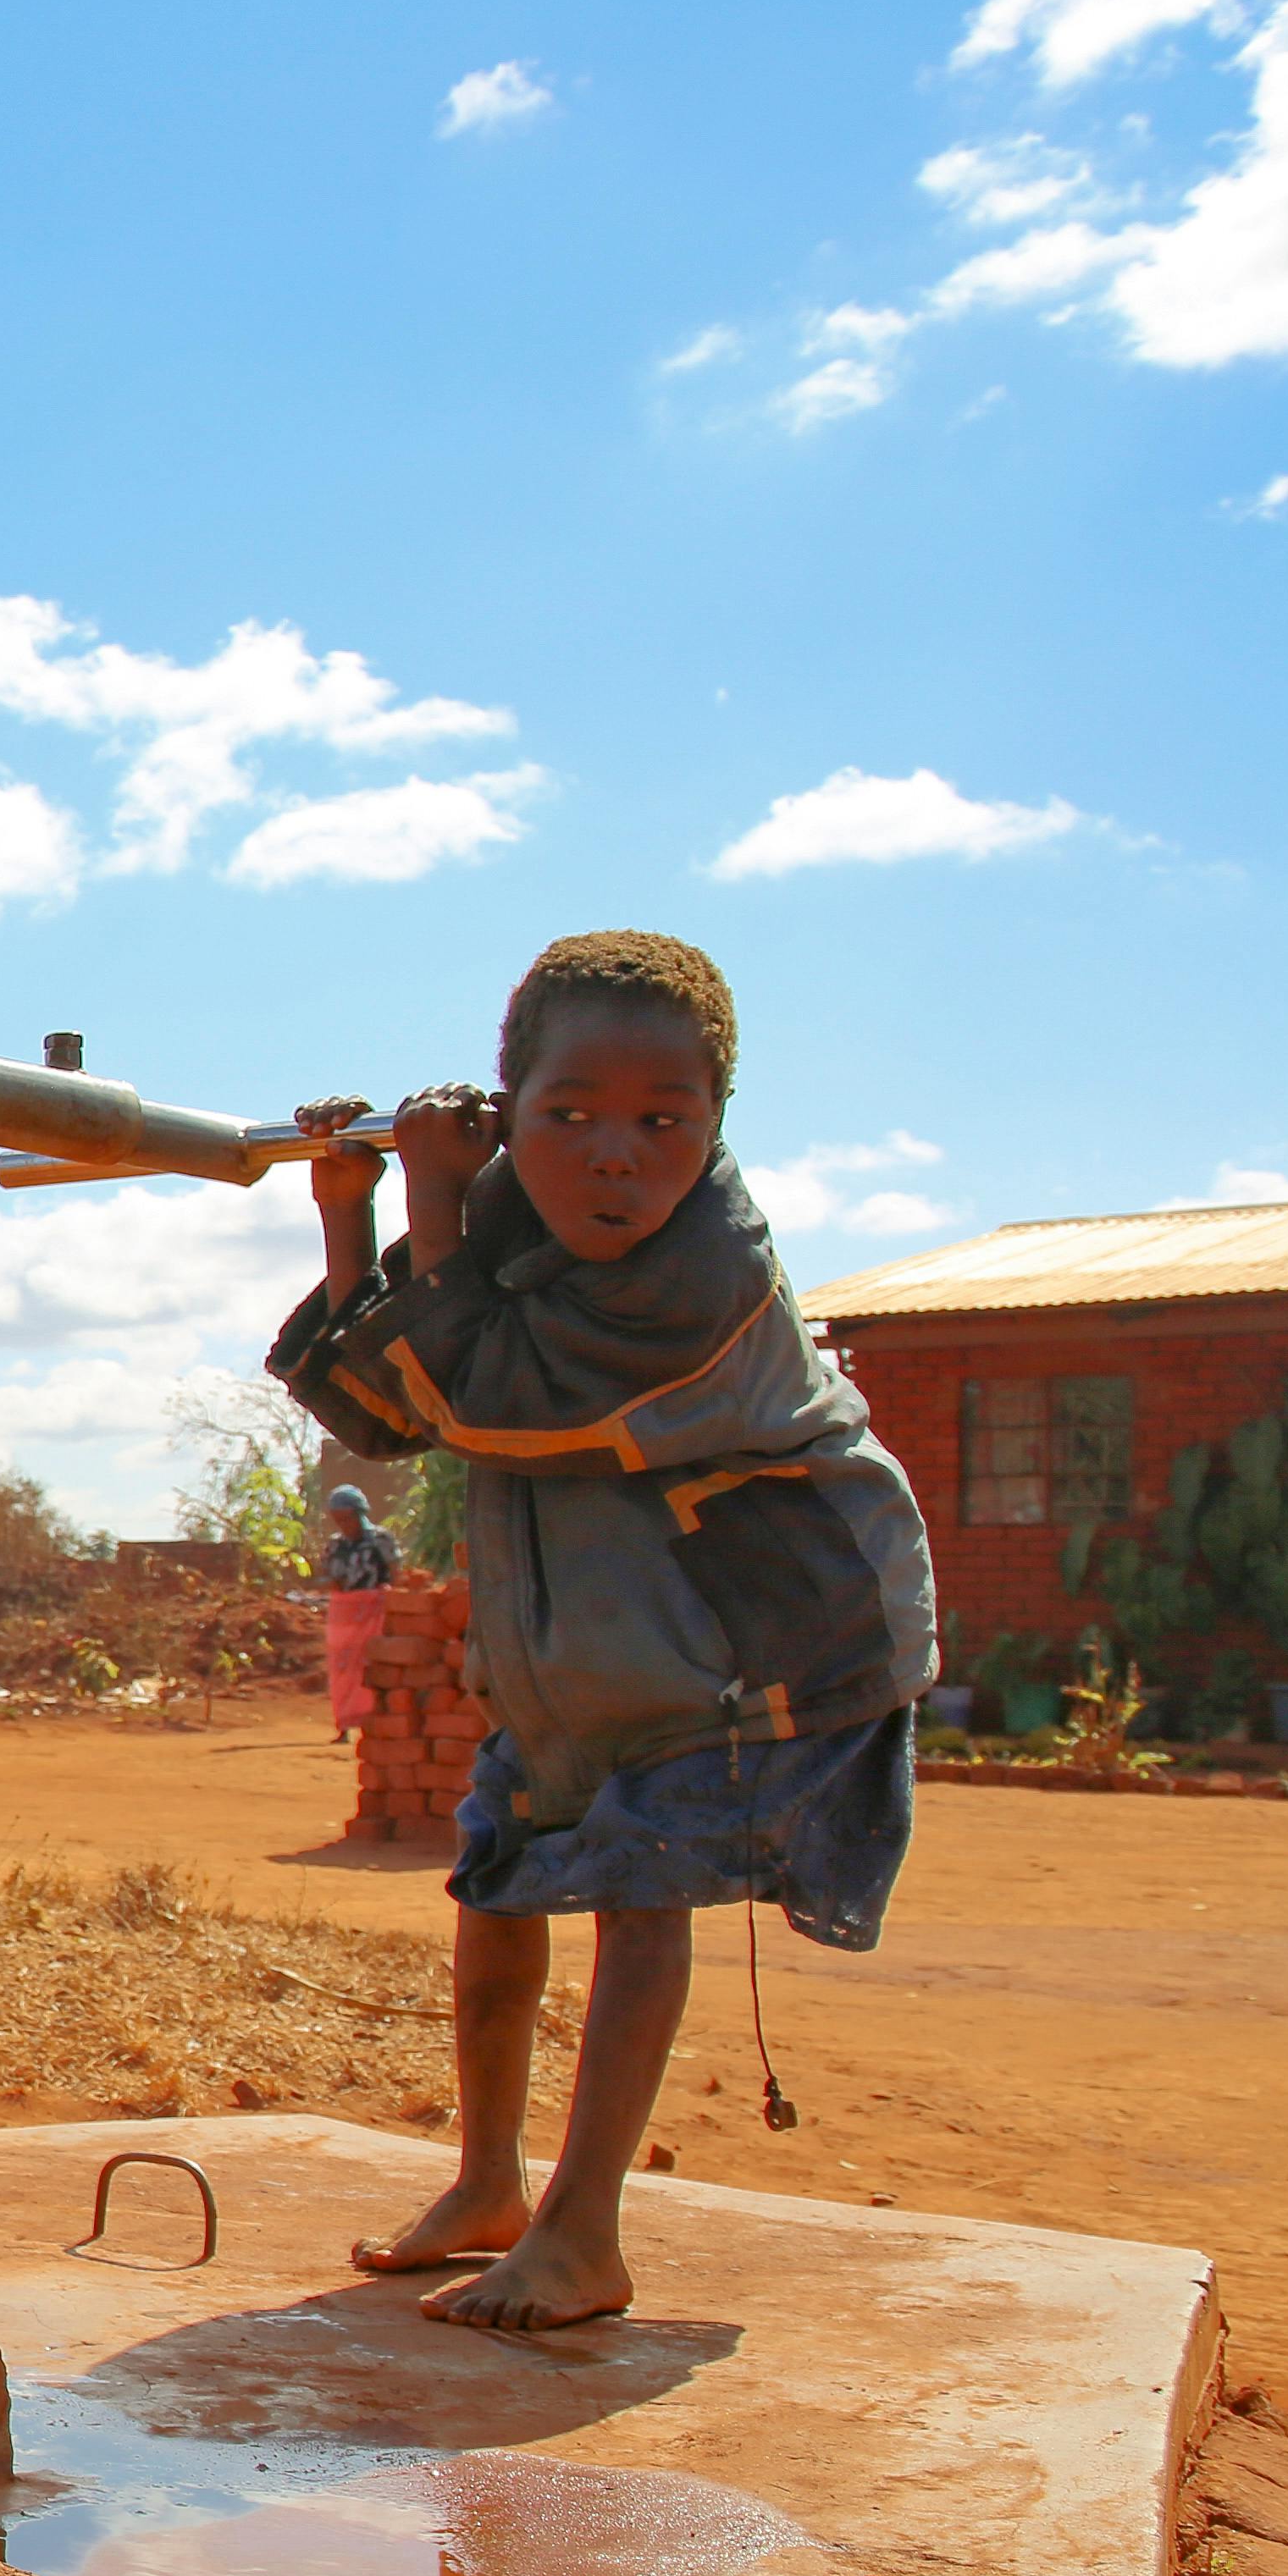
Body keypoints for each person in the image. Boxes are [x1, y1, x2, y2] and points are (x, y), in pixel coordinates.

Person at [271, 932, 931, 2331]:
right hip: (586, 1643)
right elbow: (387, 1406)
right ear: (512, 1108)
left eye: (662, 1124)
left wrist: (434, 1198)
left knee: (643, 1898)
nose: (614, 1158)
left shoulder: (704, 1273)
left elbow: (484, 1399)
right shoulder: (508, 1209)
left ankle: (585, 2233)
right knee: (498, 1891)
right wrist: (353, 1207)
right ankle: (488, 2188)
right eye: (568, 1116)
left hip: (755, 1634)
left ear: (717, 1125)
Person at [315, 1481, 401, 1735]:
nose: (343, 1524)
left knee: (371, 1665)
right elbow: (330, 1577)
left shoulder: (381, 1540)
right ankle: (344, 1724)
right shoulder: (335, 1545)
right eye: (338, 1520)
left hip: (375, 1613)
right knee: (342, 1667)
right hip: (344, 1615)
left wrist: (388, 1597)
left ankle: (374, 1722)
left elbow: (395, 1573)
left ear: (359, 1513)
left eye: (347, 1518)